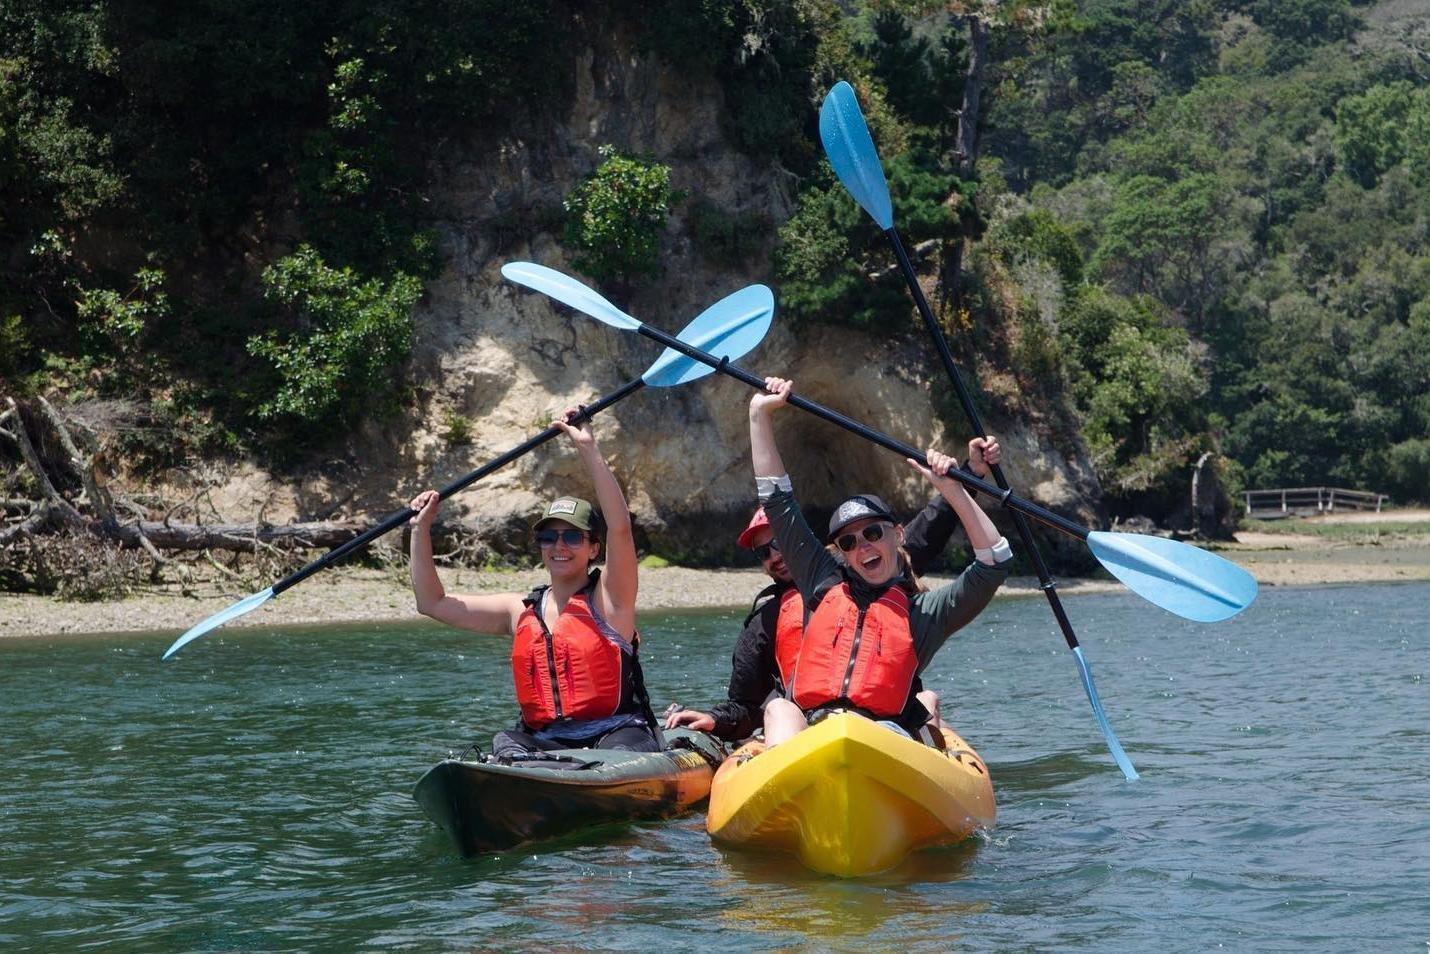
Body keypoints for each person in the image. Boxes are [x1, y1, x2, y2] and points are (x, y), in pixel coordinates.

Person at [664, 433, 1001, 743]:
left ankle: (924, 739)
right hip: (808, 727)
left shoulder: (842, 576)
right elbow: (744, 702)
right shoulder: (766, 619)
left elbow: (927, 534)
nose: (774, 556)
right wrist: (715, 719)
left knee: (926, 701)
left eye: (780, 544)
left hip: (879, 730)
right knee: (778, 709)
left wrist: (965, 479)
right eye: (763, 552)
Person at [743, 377, 1014, 746]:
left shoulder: (924, 614)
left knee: (918, 707)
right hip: (813, 736)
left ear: (897, 535)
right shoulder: (821, 581)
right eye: (849, 541)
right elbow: (777, 500)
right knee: (778, 710)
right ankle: (786, 793)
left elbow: (993, 563)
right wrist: (759, 415)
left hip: (882, 737)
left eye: (873, 533)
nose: (863, 546)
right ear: (841, 551)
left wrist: (955, 489)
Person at [408, 408, 662, 759]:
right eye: (548, 537)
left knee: (617, 752)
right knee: (506, 743)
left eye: (573, 537)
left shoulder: (611, 599)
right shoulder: (518, 611)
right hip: (546, 739)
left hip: (615, 733)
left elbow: (620, 529)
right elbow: (431, 602)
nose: (559, 546)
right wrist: (421, 529)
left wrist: (588, 448)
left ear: (594, 548)